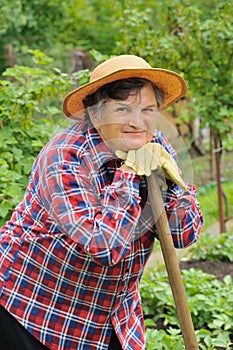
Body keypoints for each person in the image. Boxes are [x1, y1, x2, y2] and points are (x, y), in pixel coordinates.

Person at [0, 54, 203, 350]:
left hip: (109, 310)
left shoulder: (154, 146)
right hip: (34, 304)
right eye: (123, 109)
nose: (137, 122)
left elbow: (184, 234)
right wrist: (130, 175)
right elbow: (104, 246)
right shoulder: (66, 157)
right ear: (95, 115)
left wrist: (173, 184)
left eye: (147, 110)